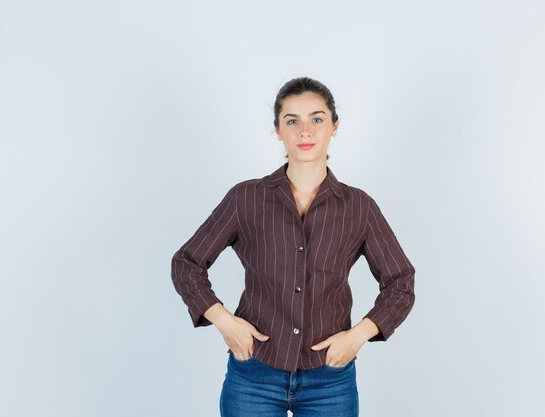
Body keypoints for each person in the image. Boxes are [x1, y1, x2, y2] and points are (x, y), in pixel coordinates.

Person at [170, 76, 416, 417]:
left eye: (317, 119)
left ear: (334, 127)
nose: (305, 131)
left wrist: (358, 335)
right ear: (278, 131)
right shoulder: (246, 198)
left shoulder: (359, 207)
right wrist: (225, 322)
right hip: (254, 375)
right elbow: (187, 263)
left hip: (330, 381)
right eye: (292, 121)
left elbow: (401, 282)